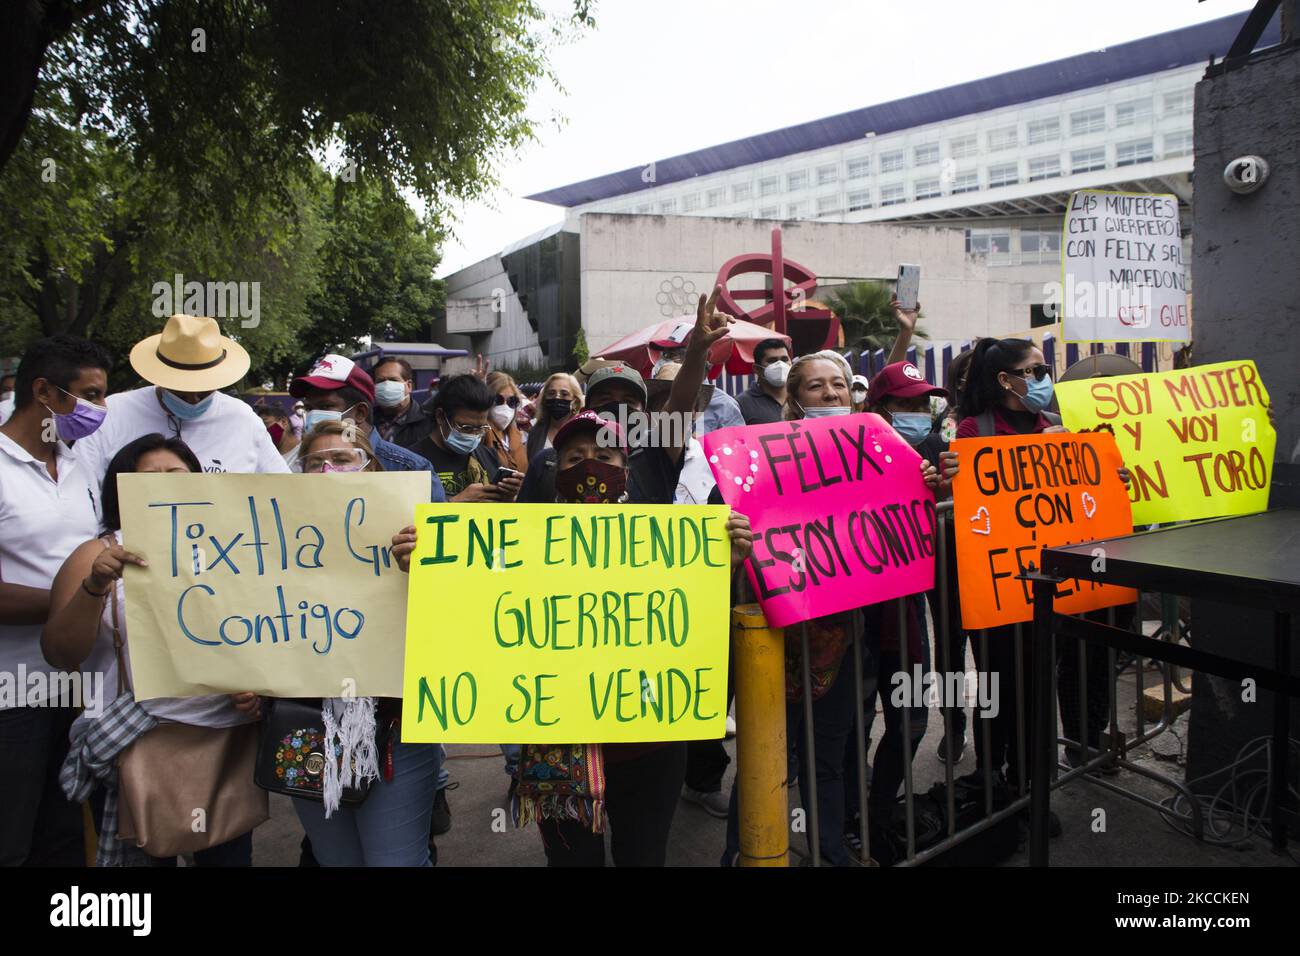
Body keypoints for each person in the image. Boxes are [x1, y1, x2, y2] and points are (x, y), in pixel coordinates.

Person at [404, 409, 752, 866]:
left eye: (604, 455)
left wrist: (724, 562)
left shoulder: (666, 541)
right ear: (555, 470)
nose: (590, 467)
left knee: (644, 857)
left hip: (650, 741)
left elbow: (686, 613)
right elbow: (471, 610)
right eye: (574, 458)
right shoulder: (516, 544)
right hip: (555, 740)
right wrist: (426, 566)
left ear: (625, 471)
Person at [723, 349, 940, 867]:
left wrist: (927, 484)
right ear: (795, 402)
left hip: (843, 637)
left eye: (838, 385)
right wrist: (730, 531)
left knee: (830, 754)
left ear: (852, 393)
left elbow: (905, 522)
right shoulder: (761, 459)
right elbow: (731, 515)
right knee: (767, 754)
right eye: (816, 387)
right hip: (776, 635)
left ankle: (830, 851)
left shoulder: (880, 455)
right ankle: (742, 851)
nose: (830, 394)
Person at [43, 434, 259, 866]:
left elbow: (268, 635)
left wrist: (258, 689)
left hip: (222, 736)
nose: (164, 485)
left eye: (176, 475)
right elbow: (60, 653)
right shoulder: (96, 554)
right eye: (150, 477)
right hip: (135, 742)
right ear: (123, 489)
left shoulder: (240, 550)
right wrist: (96, 585)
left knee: (227, 858)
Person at [940, 339, 1131, 813]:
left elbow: (1081, 499)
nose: (1045, 377)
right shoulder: (973, 430)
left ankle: (1032, 790)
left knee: (1038, 691)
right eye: (1036, 369)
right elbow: (970, 501)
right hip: (1001, 588)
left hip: (1051, 587)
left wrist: (1110, 479)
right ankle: (993, 777)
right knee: (1001, 686)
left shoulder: (1058, 428)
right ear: (1006, 380)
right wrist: (949, 476)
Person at [277, 421, 441, 866]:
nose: (328, 470)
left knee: (396, 861)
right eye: (315, 462)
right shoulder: (269, 543)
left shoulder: (414, 534)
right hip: (307, 730)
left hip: (394, 728)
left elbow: (454, 624)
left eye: (343, 459)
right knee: (337, 861)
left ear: (371, 465)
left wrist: (430, 570)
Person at [0, 335, 112, 866]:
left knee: (65, 842)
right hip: (10, 695)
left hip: (75, 692)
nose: (100, 410)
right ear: (43, 391)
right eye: (89, 395)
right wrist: (77, 604)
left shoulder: (78, 467)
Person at [842, 362, 948, 854]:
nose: (917, 414)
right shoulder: (841, 452)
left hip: (904, 616)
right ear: (877, 410)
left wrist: (940, 489)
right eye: (905, 405)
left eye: (923, 404)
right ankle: (846, 820)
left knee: (911, 722)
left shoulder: (930, 453)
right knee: (853, 725)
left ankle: (880, 813)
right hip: (852, 620)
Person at [75, 314, 289, 482]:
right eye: (181, 388)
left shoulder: (243, 420)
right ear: (160, 376)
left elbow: (284, 490)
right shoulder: (114, 414)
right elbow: (85, 489)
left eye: (203, 388)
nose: (193, 398)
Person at [290, 353, 444, 503]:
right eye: (310, 408)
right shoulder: (300, 464)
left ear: (360, 413)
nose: (314, 415)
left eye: (326, 406)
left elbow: (434, 523)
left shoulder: (411, 469)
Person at [410, 374, 523, 503]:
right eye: (466, 428)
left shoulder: (487, 456)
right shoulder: (412, 463)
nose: (473, 435)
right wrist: (455, 503)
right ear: (441, 417)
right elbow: (407, 516)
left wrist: (507, 497)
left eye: (480, 428)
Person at [372, 356, 435, 449]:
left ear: (409, 386)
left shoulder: (431, 424)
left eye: (393, 380)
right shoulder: (364, 420)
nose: (386, 386)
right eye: (380, 381)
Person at [524, 371, 583, 461]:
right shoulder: (535, 432)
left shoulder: (584, 430)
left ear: (575, 400)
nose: (557, 397)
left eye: (564, 394)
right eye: (551, 393)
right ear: (544, 399)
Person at [484, 371, 530, 475]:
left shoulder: (518, 436)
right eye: (498, 400)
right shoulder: (481, 433)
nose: (505, 406)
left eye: (511, 401)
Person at [737, 338, 790, 425]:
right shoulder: (741, 404)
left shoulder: (800, 396)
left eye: (784, 359)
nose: (780, 365)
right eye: (772, 361)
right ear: (757, 369)